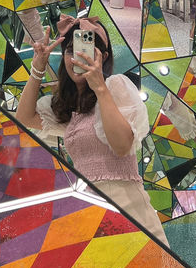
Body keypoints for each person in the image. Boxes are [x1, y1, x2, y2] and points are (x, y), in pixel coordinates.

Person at [15, 14, 167, 244]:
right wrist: (38, 67)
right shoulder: (68, 109)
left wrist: (100, 88)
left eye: (86, 50)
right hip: (89, 219)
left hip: (129, 214)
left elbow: (122, 146)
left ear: (103, 57)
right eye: (71, 51)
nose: (78, 57)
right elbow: (24, 118)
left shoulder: (115, 86)